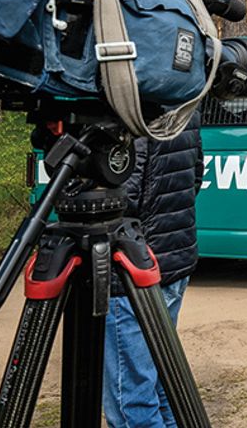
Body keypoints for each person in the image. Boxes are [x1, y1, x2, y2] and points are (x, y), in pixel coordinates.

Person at [104, 112, 204, 428]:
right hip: (174, 258)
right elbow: (195, 174)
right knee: (164, 384)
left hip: (133, 269)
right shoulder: (182, 97)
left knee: (131, 399)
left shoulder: (128, 108)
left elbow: (120, 195)